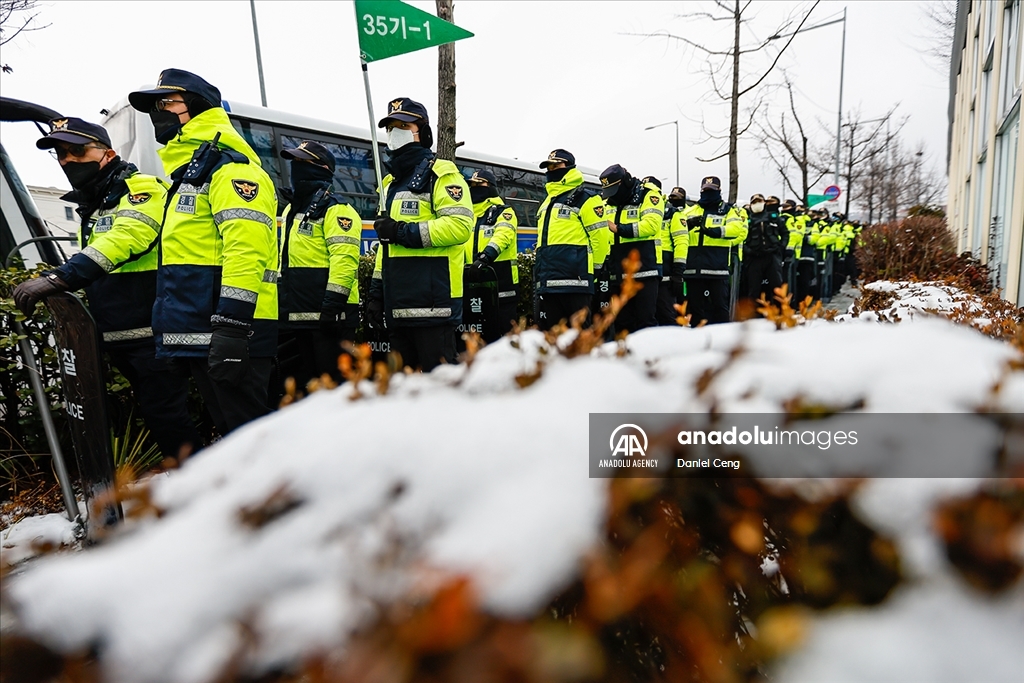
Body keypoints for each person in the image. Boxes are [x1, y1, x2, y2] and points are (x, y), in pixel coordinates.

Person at [14, 117, 202, 458]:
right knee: (158, 417)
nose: (68, 160)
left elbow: (129, 236)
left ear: (108, 153)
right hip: (124, 334)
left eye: (77, 150)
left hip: (151, 333)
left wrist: (59, 277)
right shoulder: (98, 201)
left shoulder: (140, 188)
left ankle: (204, 492)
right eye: (61, 154)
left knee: (168, 418)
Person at [128, 69, 278, 435]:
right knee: (234, 439)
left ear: (196, 106)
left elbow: (246, 251)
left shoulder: (231, 171)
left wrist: (233, 328)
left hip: (233, 332)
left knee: (253, 441)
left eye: (166, 102)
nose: (157, 113)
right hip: (204, 332)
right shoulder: (188, 176)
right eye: (154, 106)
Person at [367, 97, 473, 371]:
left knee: (440, 394)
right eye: (390, 127)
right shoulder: (389, 184)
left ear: (423, 133)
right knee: (404, 396)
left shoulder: (442, 173)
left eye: (402, 125)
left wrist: (402, 231)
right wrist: (377, 293)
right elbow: (386, 247)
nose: (394, 133)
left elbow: (459, 226)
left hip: (434, 307)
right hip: (398, 306)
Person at [276, 141, 361, 389]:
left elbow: (344, 261)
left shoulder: (337, 209)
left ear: (323, 168)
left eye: (303, 162)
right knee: (304, 391)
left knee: (334, 391)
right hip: (298, 317)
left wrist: (332, 306)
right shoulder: (292, 208)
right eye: (295, 162)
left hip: (331, 319)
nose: (296, 168)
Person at [534, 149, 607, 331]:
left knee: (580, 335)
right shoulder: (547, 202)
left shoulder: (587, 198)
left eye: (556, 165)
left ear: (569, 166)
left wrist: (595, 271)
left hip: (577, 281)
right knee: (554, 337)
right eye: (549, 166)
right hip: (549, 282)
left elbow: (601, 238)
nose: (551, 169)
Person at [600, 165, 663, 333]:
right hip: (618, 271)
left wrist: (619, 229)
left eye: (614, 190)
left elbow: (651, 225)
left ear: (625, 182)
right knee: (622, 323)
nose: (611, 196)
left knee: (645, 321)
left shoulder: (649, 195)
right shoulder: (609, 202)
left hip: (645, 270)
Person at [682, 176, 747, 325]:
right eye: (705, 190)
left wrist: (714, 231)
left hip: (717, 269)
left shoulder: (728, 211)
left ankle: (723, 340)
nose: (707, 193)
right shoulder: (690, 211)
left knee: (720, 308)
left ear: (719, 191)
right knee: (695, 310)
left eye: (711, 190)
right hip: (693, 270)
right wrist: (688, 226)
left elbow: (736, 229)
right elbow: (677, 231)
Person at [466, 168, 519, 339]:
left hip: (501, 286)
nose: (474, 187)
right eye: (471, 184)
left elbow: (503, 235)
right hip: (472, 286)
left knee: (502, 337)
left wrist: (485, 257)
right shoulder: (466, 216)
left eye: (478, 184)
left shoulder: (503, 212)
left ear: (490, 186)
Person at [741, 193, 787, 305]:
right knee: (753, 289)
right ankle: (753, 318)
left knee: (776, 287)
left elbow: (785, 233)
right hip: (754, 258)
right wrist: (748, 251)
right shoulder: (746, 220)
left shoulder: (773, 218)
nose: (757, 204)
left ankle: (779, 315)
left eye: (759, 201)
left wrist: (780, 247)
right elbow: (741, 238)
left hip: (772, 257)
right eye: (754, 202)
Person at [656, 186, 689, 325]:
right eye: (672, 196)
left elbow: (681, 242)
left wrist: (678, 272)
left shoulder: (675, 214)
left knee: (667, 313)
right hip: (650, 269)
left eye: (677, 197)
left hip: (669, 270)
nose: (674, 199)